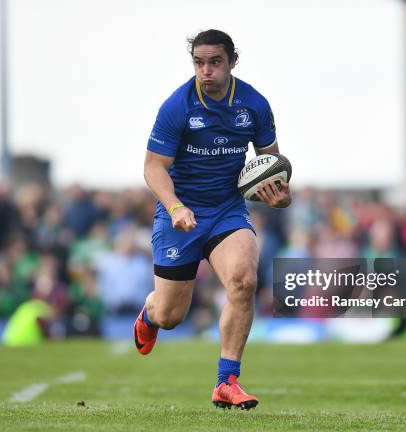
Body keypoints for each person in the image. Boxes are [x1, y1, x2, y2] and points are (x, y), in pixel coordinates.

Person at [133, 29, 291, 410]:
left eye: (215, 62)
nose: (206, 70)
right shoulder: (178, 106)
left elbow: (272, 166)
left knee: (243, 280)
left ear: (232, 62)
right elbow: (153, 169)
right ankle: (150, 313)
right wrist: (175, 207)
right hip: (180, 213)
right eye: (199, 62)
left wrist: (280, 195)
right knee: (171, 316)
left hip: (227, 211)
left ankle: (227, 381)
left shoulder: (253, 105)